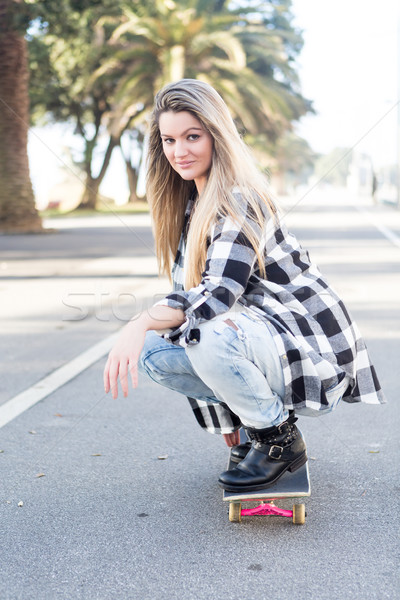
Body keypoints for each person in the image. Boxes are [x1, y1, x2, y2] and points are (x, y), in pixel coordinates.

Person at [103, 79, 385, 493]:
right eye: (169, 139)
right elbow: (193, 313)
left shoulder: (239, 199)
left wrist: (137, 321)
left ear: (217, 136)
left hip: (308, 344)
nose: (179, 151)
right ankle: (258, 426)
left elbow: (217, 296)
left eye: (192, 136)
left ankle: (278, 443)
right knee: (156, 352)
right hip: (261, 340)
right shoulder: (189, 208)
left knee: (203, 331)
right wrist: (232, 416)